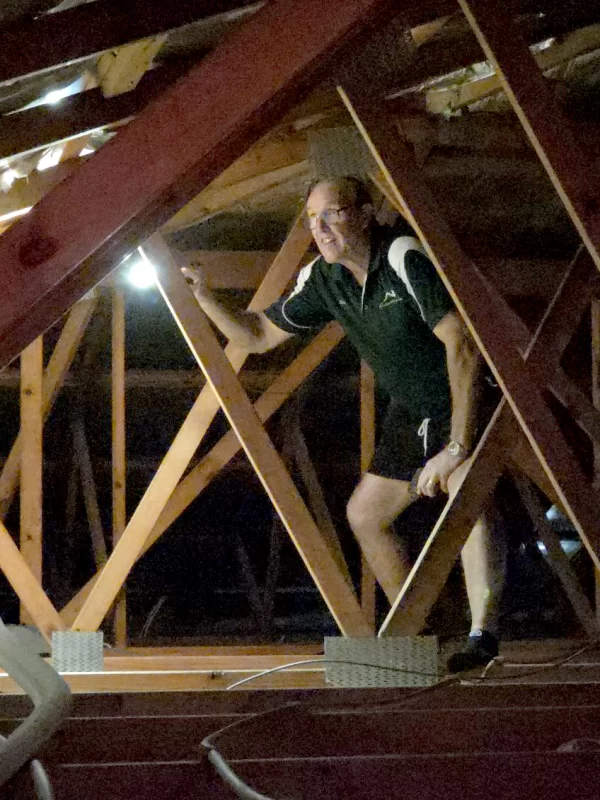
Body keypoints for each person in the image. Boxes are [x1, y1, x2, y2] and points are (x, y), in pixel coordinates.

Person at [183, 176, 505, 671]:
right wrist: (204, 298)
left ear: (366, 214)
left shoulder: (402, 256)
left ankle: (482, 638)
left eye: (332, 214)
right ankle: (425, 633)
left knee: (468, 497)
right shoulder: (323, 278)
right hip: (411, 409)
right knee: (365, 515)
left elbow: (460, 341)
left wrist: (457, 446)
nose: (321, 228)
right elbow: (259, 336)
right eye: (312, 219)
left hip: (460, 398)